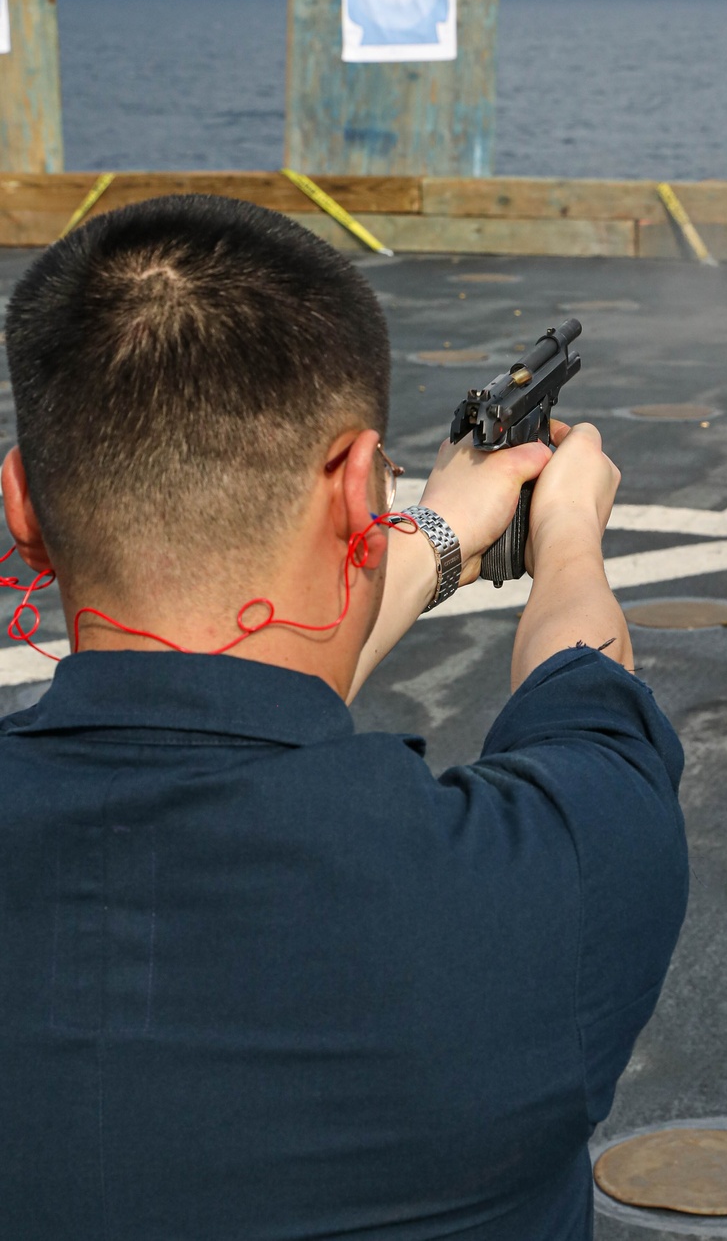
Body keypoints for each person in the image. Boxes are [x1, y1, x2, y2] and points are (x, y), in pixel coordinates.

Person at [0, 196, 688, 1241]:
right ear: (360, 487)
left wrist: (431, 529)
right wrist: (568, 535)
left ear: (23, 509)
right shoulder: (546, 878)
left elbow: (221, 685)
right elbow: (585, 696)